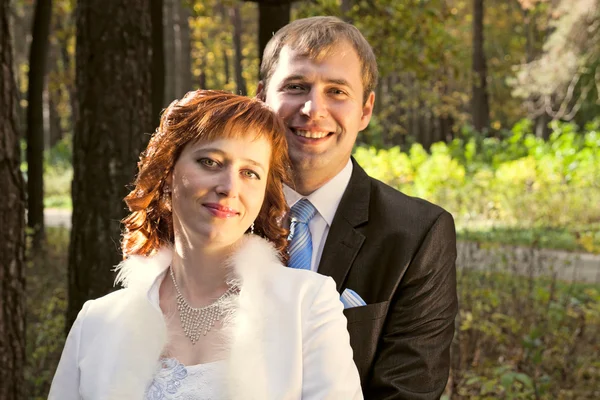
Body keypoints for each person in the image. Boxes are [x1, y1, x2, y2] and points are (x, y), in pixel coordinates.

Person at [48, 90, 362, 399]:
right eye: (210, 162)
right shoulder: (96, 321)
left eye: (250, 172)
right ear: (168, 173)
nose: (229, 187)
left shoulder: (307, 304)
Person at [256, 16, 458, 399]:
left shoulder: (417, 235)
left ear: (365, 110)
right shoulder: (219, 213)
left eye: (337, 91)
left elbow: (407, 392)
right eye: (296, 87)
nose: (313, 109)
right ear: (262, 98)